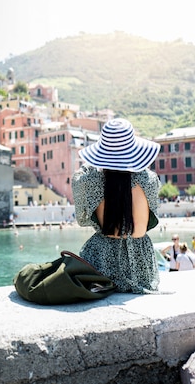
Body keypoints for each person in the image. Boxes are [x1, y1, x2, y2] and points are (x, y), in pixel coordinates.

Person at [73, 118, 161, 294]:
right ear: (134, 150)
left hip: (101, 266)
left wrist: (96, 163)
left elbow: (82, 220)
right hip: (141, 268)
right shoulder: (149, 180)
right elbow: (152, 217)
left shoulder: (90, 182)